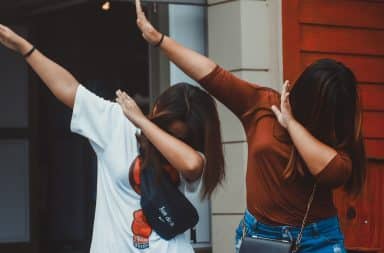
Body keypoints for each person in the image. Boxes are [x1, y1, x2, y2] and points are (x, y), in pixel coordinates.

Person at [132, 0, 366, 252]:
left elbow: (328, 171)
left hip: (316, 240)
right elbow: (213, 75)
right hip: (261, 238)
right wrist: (160, 40)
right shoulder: (263, 104)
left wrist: (291, 124)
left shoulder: (338, 145)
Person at [0, 24, 225, 253]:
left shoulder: (186, 154)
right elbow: (70, 89)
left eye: (179, 135)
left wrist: (143, 122)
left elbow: (193, 164)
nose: (170, 136)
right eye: (166, 127)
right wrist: (25, 48)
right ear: (158, 107)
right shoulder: (118, 123)